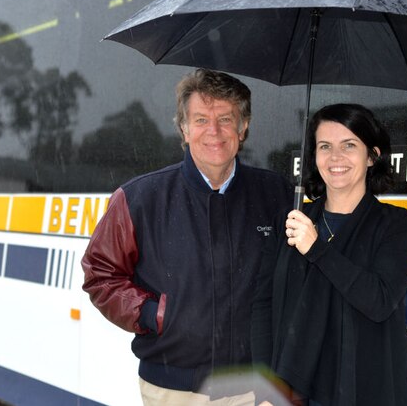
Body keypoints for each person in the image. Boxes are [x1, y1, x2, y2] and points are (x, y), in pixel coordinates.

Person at [81, 68, 293, 405]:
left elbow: (294, 281)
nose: (214, 131)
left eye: (226, 119)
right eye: (200, 120)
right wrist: (155, 314)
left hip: (254, 389)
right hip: (173, 390)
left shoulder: (277, 194)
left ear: (244, 126)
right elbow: (100, 275)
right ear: (183, 127)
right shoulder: (139, 198)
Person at [251, 103, 407, 406]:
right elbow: (264, 306)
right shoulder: (291, 223)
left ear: (372, 156)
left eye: (349, 145)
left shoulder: (396, 225)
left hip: (362, 391)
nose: (336, 157)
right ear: (314, 156)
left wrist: (317, 249)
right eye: (325, 146)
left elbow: (379, 301)